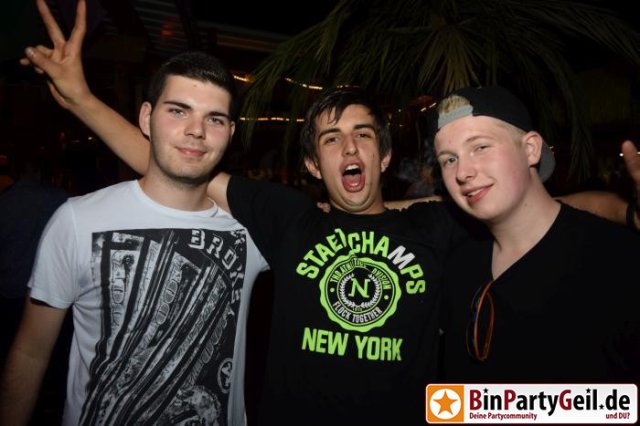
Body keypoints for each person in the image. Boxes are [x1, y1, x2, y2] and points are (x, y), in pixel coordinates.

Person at [18, 2, 640, 422]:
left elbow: (538, 208)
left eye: (364, 135)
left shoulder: (437, 222)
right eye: (331, 139)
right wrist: (82, 100)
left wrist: (625, 209)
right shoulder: (289, 219)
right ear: (314, 165)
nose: (349, 149)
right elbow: (181, 160)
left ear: (384, 154)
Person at [0, 2, 267, 424]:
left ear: (230, 133)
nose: (196, 131)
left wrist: (83, 101)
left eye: (215, 119)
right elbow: (31, 352)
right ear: (146, 117)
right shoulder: (77, 220)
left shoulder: (252, 229)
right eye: (178, 111)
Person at [430, 86, 640, 382]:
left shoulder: (618, 262)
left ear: (530, 149)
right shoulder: (458, 267)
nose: (462, 172)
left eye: (480, 147)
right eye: (449, 159)